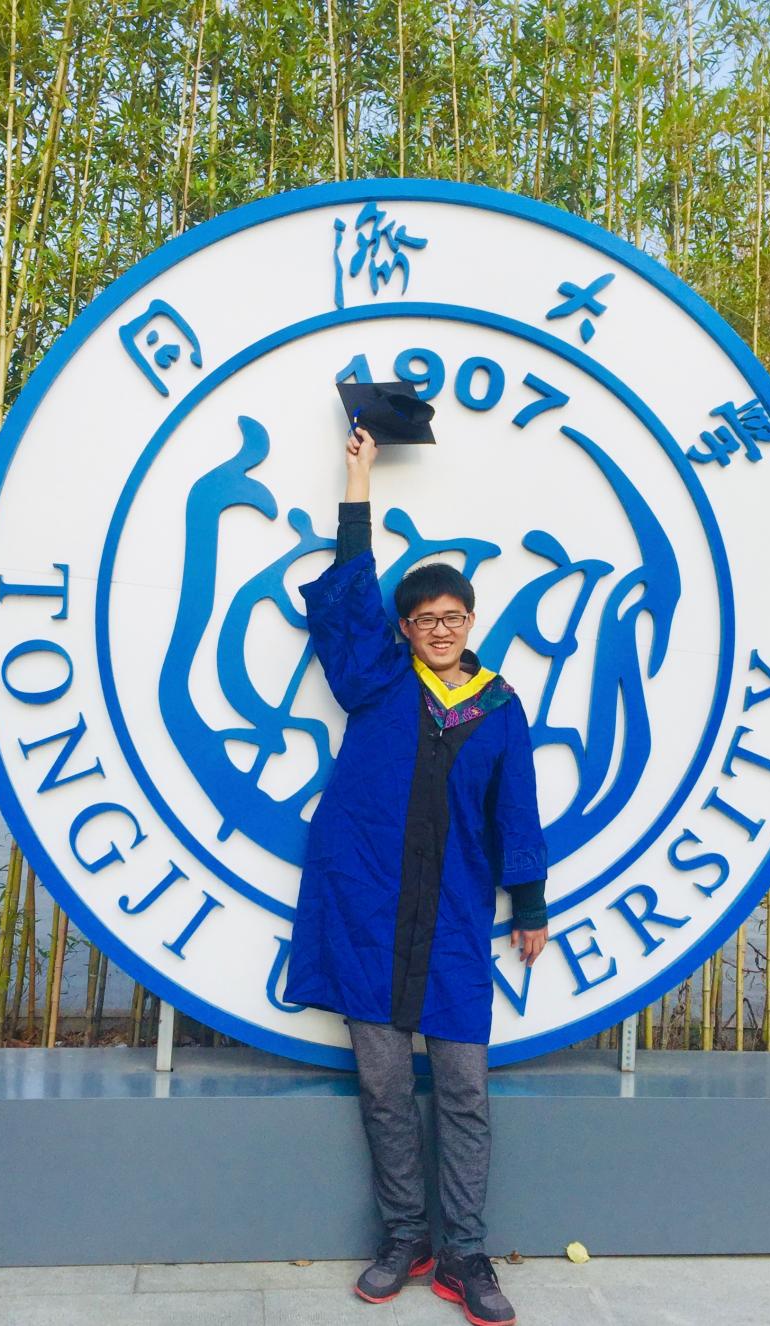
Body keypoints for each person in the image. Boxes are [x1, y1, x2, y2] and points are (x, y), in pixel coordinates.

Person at [284, 424, 549, 1326]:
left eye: (453, 617)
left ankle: (465, 1252)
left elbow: (517, 811)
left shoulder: (499, 707)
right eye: (424, 619)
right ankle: (406, 1237)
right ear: (405, 629)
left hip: (454, 921)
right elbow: (350, 592)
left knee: (465, 1089)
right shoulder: (378, 680)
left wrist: (530, 904)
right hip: (368, 911)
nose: (439, 630)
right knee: (386, 1087)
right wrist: (357, 479)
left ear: (470, 622)